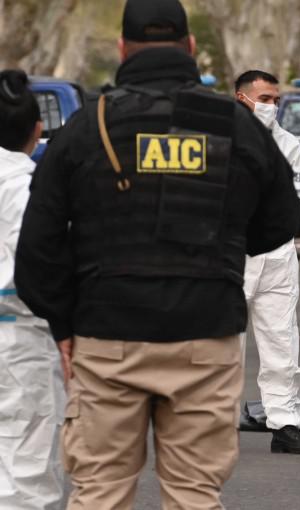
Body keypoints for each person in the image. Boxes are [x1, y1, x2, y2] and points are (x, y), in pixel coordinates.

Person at [14, 0, 300, 507]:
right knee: (194, 493)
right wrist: (221, 247)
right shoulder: (236, 127)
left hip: (106, 338)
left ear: (122, 48)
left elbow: (38, 249)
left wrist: (64, 327)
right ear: (190, 47)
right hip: (205, 334)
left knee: (100, 491)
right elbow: (281, 219)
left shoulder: (88, 127)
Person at [234, 70, 300, 454]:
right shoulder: (222, 140)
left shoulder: (289, 145)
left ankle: (285, 425)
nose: (271, 107)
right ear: (242, 98)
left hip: (279, 258)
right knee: (225, 347)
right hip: (232, 256)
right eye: (264, 99)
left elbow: (292, 203)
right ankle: (216, 424)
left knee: (282, 344)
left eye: (275, 100)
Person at [0, 69, 65, 510]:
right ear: (38, 130)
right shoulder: (28, 189)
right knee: (30, 472)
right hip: (21, 337)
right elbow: (42, 268)